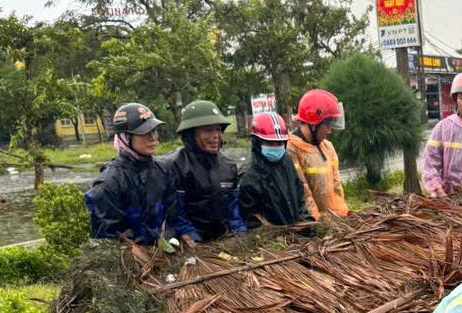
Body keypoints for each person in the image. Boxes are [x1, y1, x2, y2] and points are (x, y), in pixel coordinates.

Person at [86, 102, 195, 245]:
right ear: (125, 137)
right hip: (130, 259)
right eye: (144, 132)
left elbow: (174, 214)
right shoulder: (109, 183)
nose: (153, 137)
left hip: (162, 253)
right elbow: (109, 238)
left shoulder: (164, 170)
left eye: (154, 130)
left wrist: (178, 234)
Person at [166, 100, 247, 243]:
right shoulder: (175, 166)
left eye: (218, 130)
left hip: (223, 242)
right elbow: (177, 215)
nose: (216, 136)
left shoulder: (229, 166)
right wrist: (195, 241)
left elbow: (234, 213)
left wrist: (242, 236)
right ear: (190, 134)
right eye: (208, 130)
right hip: (190, 244)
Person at [238, 111, 312, 228]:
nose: (276, 147)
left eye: (279, 142)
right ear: (256, 142)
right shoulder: (249, 175)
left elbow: (299, 196)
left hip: (296, 234)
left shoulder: (287, 161)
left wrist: (306, 223)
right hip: (271, 239)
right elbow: (251, 219)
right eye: (270, 142)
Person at [288, 89, 349, 219]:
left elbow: (336, 186)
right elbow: (304, 193)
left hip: (333, 221)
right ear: (314, 124)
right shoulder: (291, 149)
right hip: (312, 226)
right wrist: (318, 223)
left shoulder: (328, 147)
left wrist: (342, 215)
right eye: (327, 125)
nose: (329, 131)